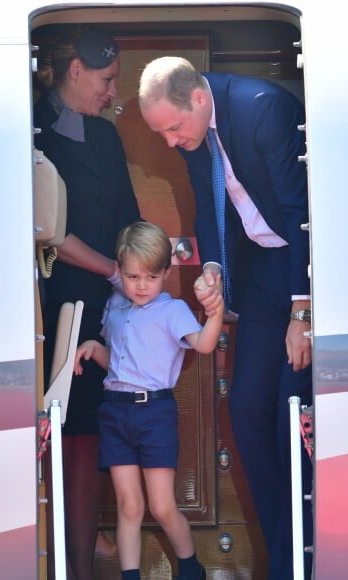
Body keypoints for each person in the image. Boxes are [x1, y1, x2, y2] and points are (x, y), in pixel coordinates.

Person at [137, 57, 313, 579]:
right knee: (246, 408)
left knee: (290, 411)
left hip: (303, 270)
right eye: (160, 133)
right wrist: (212, 268)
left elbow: (301, 208)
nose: (170, 141)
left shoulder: (262, 109)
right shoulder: (195, 133)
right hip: (261, 274)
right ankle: (286, 552)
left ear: (198, 98)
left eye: (173, 127)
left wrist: (304, 309)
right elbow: (206, 206)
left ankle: (298, 561)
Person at [33, 26, 141, 580]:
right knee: (68, 431)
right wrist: (114, 271)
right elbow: (49, 231)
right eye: (105, 79)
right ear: (75, 71)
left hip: (110, 308)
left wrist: (141, 278)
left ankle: (84, 559)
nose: (111, 91)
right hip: (58, 309)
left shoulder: (106, 137)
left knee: (97, 431)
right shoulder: (31, 129)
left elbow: (130, 215)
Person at [73, 221, 223, 580]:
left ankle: (189, 567)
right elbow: (123, 364)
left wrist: (215, 314)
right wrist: (96, 350)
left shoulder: (172, 311)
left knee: (161, 504)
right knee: (129, 504)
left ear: (167, 272)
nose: (141, 286)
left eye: (151, 277)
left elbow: (203, 344)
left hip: (154, 413)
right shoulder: (117, 309)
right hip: (115, 410)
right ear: (121, 270)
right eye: (133, 276)